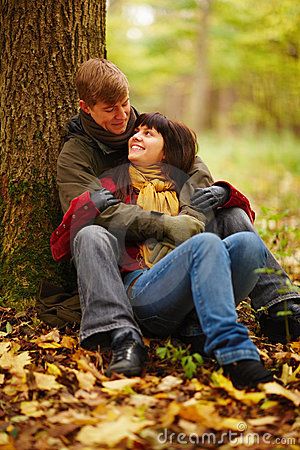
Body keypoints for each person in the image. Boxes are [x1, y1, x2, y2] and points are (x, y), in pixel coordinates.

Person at [53, 57, 299, 346]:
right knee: (93, 233)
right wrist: (164, 225)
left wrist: (190, 217)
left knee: (231, 213)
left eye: (125, 103)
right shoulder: (77, 154)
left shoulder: (145, 128)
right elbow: (92, 211)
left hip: (185, 238)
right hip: (133, 257)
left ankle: (282, 306)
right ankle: (146, 324)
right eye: (109, 110)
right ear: (86, 107)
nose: (122, 115)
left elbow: (193, 165)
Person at [52, 112, 274, 389]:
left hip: (188, 291)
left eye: (148, 134)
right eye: (137, 131)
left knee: (249, 244)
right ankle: (236, 353)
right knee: (205, 244)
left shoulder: (187, 187)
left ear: (167, 151)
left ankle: (198, 329)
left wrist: (224, 195)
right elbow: (68, 237)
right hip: (142, 288)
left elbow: (210, 215)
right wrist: (92, 207)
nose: (136, 136)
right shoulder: (112, 185)